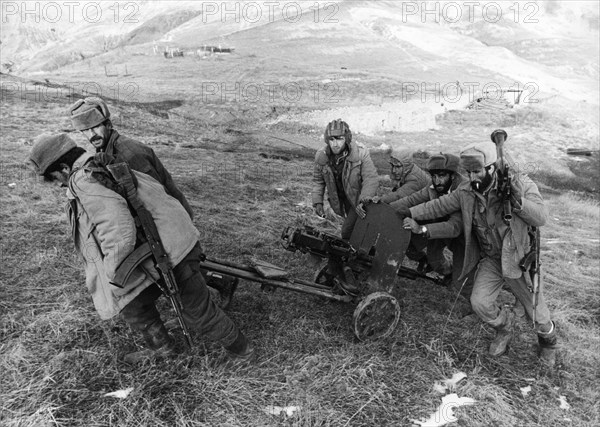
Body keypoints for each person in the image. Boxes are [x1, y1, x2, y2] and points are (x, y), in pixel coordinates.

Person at [29, 133, 253, 363]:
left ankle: (242, 351)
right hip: (171, 240)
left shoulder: (85, 181)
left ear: (65, 167)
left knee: (196, 310)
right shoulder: (103, 161)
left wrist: (111, 270)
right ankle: (161, 348)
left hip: (170, 250)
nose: (57, 183)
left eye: (54, 177)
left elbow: (119, 230)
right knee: (134, 303)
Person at [398, 141, 558, 366]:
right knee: (479, 302)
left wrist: (517, 201)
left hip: (518, 259)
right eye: (469, 172)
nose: (472, 177)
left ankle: (548, 342)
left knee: (538, 314)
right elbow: (439, 205)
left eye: (477, 171)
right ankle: (505, 328)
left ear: (491, 168)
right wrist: (407, 213)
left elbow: (541, 217)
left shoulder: (520, 183)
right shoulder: (467, 191)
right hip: (492, 259)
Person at [68, 97, 237, 309]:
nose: (91, 135)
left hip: (166, 217)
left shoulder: (129, 154)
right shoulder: (106, 152)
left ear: (107, 123)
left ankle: (218, 292)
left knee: (181, 269)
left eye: (95, 127)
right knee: (179, 267)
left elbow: (158, 197)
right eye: (85, 131)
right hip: (153, 219)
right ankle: (220, 283)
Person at [311, 119, 379, 294]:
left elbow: (371, 178)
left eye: (339, 139)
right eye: (331, 140)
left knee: (347, 232)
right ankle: (359, 261)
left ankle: (356, 264)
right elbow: (318, 181)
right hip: (342, 203)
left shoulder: (361, 154)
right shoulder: (322, 157)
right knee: (354, 234)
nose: (335, 144)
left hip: (360, 202)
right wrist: (317, 201)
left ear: (346, 138)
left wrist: (365, 200)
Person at [390, 153, 470, 291]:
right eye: (433, 176)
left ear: (452, 175)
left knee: (461, 285)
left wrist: (422, 229)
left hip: (465, 238)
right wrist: (387, 207)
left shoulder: (463, 191)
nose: (436, 181)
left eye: (441, 176)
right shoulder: (433, 187)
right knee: (434, 261)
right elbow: (411, 200)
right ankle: (448, 272)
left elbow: (454, 227)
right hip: (437, 228)